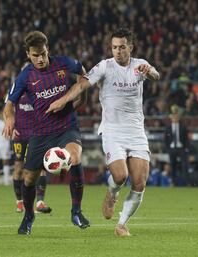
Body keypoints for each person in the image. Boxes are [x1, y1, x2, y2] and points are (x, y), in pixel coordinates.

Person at [46, 28, 160, 236]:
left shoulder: (139, 65)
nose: (118, 51)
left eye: (122, 47)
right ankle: (112, 193)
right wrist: (62, 101)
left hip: (136, 132)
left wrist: (149, 71)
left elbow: (156, 75)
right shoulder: (104, 67)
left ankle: (122, 224)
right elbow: (82, 85)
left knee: (140, 181)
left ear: (130, 48)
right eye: (114, 47)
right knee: (120, 175)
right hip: (112, 131)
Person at [3, 31, 90, 235]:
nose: (41, 59)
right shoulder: (25, 76)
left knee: (75, 157)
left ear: (47, 49)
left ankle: (76, 212)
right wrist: (9, 118)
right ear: (28, 55)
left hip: (66, 127)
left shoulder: (63, 63)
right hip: (41, 132)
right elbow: (9, 105)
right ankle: (29, 216)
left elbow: (84, 76)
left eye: (43, 53)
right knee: (29, 178)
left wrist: (77, 97)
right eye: (36, 55)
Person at [11, 90, 52, 214]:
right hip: (20, 135)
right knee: (18, 168)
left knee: (41, 166)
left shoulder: (40, 90)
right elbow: (8, 108)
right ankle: (20, 202)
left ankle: (40, 202)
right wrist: (10, 125)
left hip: (37, 134)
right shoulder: (16, 90)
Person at [164, 105, 190, 186]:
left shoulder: (183, 127)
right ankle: (173, 182)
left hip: (181, 148)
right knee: (173, 166)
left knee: (184, 166)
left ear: (179, 117)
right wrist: (168, 149)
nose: (175, 117)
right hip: (172, 149)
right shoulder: (168, 128)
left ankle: (186, 182)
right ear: (171, 118)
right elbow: (166, 139)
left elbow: (186, 139)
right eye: (173, 116)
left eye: (176, 116)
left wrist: (186, 148)